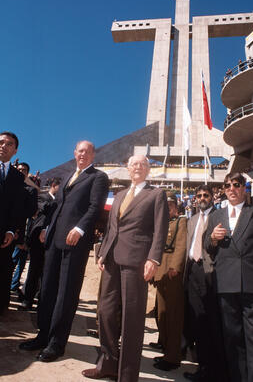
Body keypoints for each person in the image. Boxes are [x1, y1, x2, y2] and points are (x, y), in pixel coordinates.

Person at [19, 140, 109, 361]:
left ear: (93, 155)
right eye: (80, 151)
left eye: (87, 151)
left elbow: (94, 207)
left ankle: (57, 344)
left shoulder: (98, 177)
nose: (83, 154)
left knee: (66, 293)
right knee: (48, 289)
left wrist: (79, 228)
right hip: (54, 241)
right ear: (74, 153)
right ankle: (43, 335)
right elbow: (58, 207)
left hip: (75, 243)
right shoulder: (69, 176)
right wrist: (46, 229)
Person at [82, 155, 169, 381]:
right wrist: (102, 253)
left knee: (132, 318)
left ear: (148, 169)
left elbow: (160, 230)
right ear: (128, 169)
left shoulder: (156, 194)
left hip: (137, 261)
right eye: (133, 164)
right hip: (112, 260)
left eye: (142, 164)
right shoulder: (119, 195)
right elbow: (112, 229)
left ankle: (127, 374)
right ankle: (108, 363)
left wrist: (154, 259)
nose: (137, 167)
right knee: (105, 312)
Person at [204, 172, 253, 382]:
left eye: (236, 184)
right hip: (226, 284)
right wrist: (213, 239)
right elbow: (207, 247)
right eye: (227, 185)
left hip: (252, 283)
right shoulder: (216, 216)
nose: (231, 189)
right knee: (232, 339)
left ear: (244, 188)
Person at [183, 185, 227, 382]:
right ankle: (202, 367)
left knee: (212, 323)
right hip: (192, 271)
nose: (202, 198)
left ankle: (214, 370)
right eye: (199, 195)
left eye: (206, 195)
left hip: (211, 273)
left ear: (212, 197)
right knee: (197, 320)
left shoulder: (220, 217)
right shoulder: (192, 220)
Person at [152, 192, 187, 371]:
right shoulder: (162, 222)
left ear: (176, 207)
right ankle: (165, 348)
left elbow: (181, 244)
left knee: (173, 315)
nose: (168, 208)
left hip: (172, 272)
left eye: (171, 205)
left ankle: (173, 356)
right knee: (162, 313)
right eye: (166, 205)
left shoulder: (181, 221)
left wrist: (175, 266)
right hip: (160, 271)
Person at [19, 177, 61, 310]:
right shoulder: (42, 197)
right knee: (34, 270)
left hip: (52, 241)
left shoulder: (60, 201)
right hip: (38, 240)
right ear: (54, 185)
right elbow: (43, 209)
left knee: (47, 273)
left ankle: (42, 301)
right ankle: (27, 299)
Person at [0, 132, 25, 315]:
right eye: (1, 142)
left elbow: (17, 207)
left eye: (9, 144)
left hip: (4, 236)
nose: (4, 146)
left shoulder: (17, 177)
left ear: (15, 150)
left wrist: (11, 230)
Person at [11, 162, 38, 296]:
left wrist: (24, 238)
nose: (21, 171)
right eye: (19, 169)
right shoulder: (7, 185)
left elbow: (30, 215)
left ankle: (12, 286)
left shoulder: (30, 190)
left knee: (16, 263)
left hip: (18, 235)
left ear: (27, 173)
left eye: (24, 170)